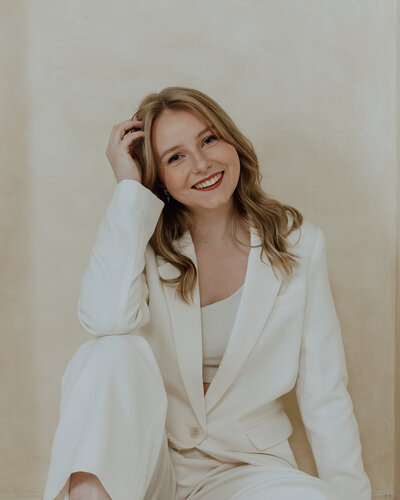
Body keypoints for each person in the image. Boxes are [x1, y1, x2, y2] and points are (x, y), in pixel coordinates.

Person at [43, 87, 371, 500]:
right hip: (148, 463)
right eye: (175, 157)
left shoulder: (301, 246)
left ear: (231, 140)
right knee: (109, 351)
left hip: (247, 469)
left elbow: (325, 391)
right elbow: (106, 319)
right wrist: (128, 190)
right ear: (157, 176)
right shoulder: (137, 241)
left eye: (208, 139)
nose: (202, 164)